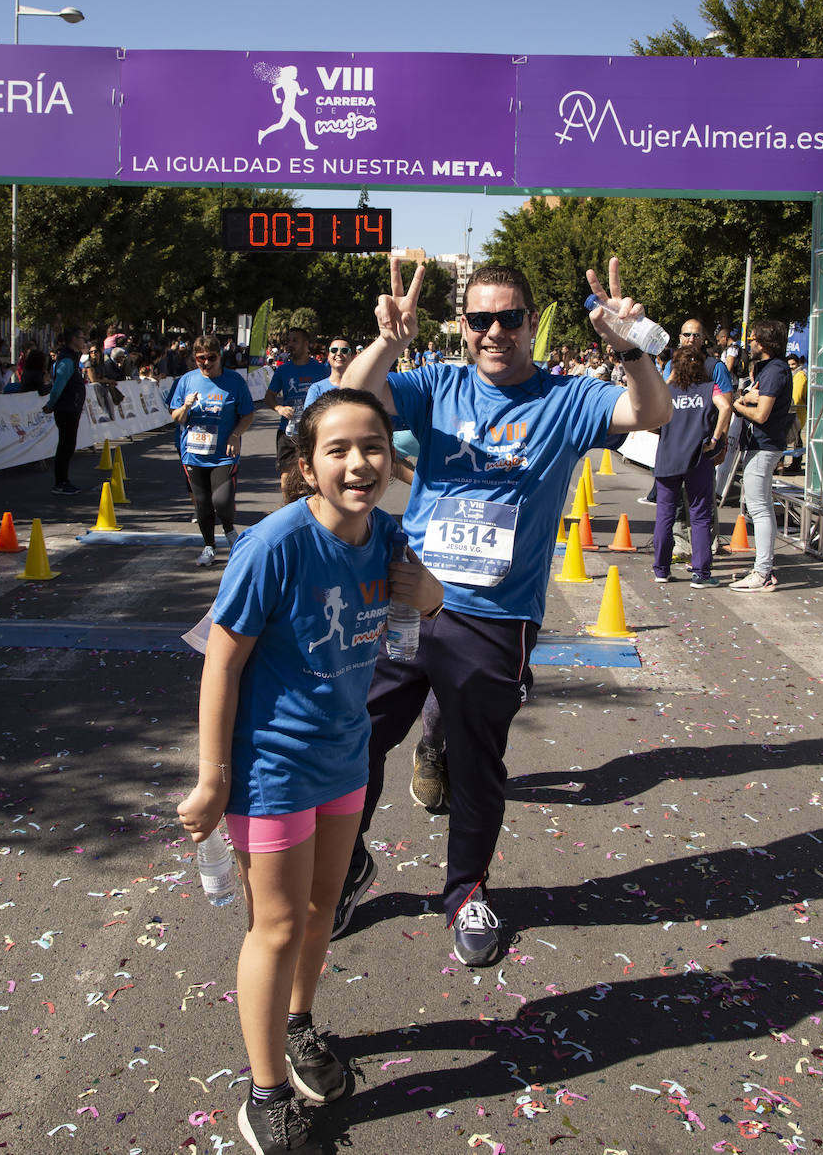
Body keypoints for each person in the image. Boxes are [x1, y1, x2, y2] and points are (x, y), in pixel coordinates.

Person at [333, 256, 672, 966]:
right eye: (480, 319)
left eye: (509, 318)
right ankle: (347, 867)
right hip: (408, 601)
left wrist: (630, 345)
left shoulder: (567, 398)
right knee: (357, 738)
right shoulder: (437, 385)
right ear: (462, 327)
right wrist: (388, 344)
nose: (494, 332)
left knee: (476, 765)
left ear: (529, 325)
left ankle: (466, 893)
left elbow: (651, 413)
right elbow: (349, 400)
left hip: (495, 619)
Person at [176, 389, 442, 1155]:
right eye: (339, 449)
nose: (359, 463)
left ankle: (297, 1028)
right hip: (271, 771)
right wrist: (213, 775)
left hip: (344, 762)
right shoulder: (275, 545)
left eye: (374, 447)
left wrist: (429, 595)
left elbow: (421, 611)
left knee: (325, 909)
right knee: (278, 924)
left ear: (392, 461)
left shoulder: (387, 536)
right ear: (307, 465)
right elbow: (221, 662)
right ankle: (262, 1095)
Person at [170, 336, 256, 566]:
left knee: (222, 499)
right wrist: (186, 406)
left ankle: (228, 528)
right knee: (202, 503)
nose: (206, 363)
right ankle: (209, 546)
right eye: (200, 358)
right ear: (194, 358)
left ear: (220, 356)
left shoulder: (234, 381)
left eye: (211, 358)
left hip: (223, 453)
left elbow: (248, 413)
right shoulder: (186, 381)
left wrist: (235, 434)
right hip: (194, 453)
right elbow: (175, 417)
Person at [652, 344, 731, 587]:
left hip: (668, 457)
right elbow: (726, 407)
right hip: (698, 457)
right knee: (699, 516)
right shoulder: (710, 388)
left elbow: (650, 419)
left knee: (665, 514)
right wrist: (716, 438)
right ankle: (701, 573)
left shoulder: (667, 391)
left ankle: (661, 570)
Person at [729, 319, 792, 592]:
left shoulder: (776, 370)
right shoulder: (769, 369)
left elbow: (761, 414)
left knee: (760, 509)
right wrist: (747, 399)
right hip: (760, 445)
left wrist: (737, 404)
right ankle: (762, 566)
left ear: (764, 343)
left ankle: (763, 571)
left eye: (753, 339)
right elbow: (754, 399)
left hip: (765, 445)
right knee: (760, 507)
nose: (749, 344)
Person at [263, 326, 330, 503]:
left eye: (295, 341)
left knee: (313, 472)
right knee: (286, 474)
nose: (290, 345)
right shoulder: (283, 370)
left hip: (312, 430)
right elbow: (269, 397)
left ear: (306, 344)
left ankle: (315, 507)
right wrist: (279, 409)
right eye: (289, 341)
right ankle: (288, 509)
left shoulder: (321, 370)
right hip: (288, 430)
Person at [42, 327, 88, 494]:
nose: (84, 341)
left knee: (69, 445)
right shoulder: (67, 361)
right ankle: (60, 482)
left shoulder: (73, 359)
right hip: (66, 408)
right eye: (82, 338)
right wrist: (51, 404)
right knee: (65, 446)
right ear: (74, 339)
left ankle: (63, 480)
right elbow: (58, 385)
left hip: (72, 407)